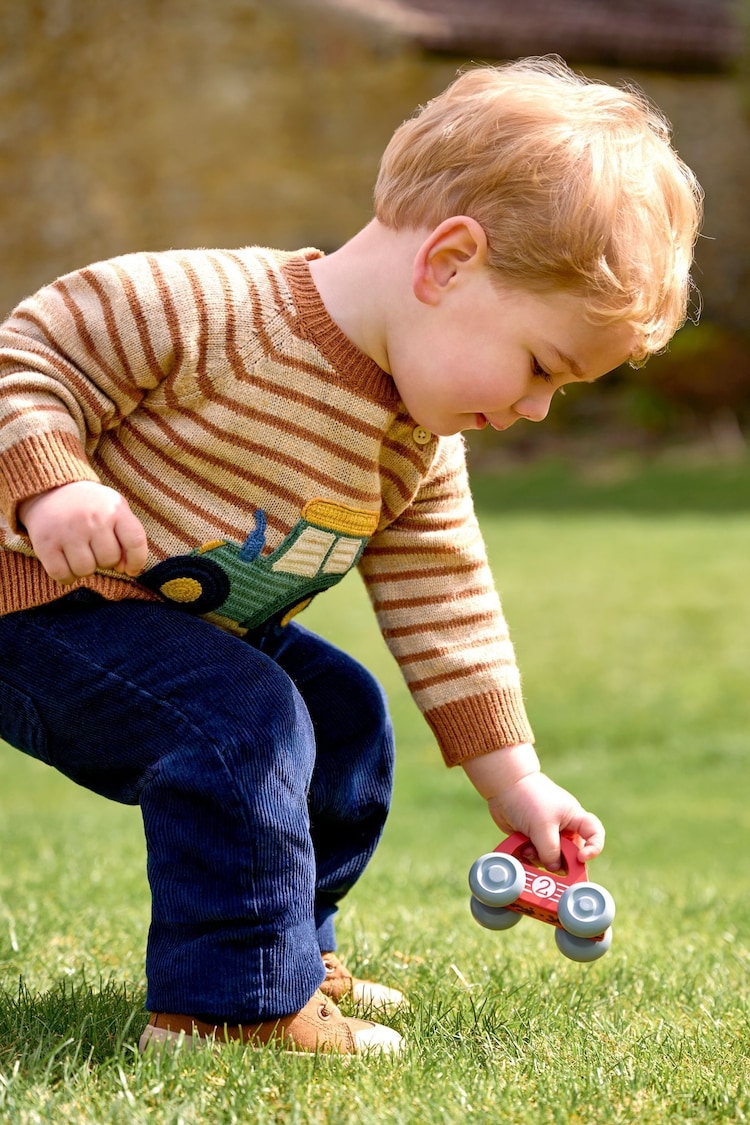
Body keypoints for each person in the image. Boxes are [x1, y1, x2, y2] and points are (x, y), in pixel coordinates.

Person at [0, 56, 701, 1057]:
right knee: (246, 715)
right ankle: (224, 1009)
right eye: (542, 363)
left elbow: (447, 605)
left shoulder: (417, 442)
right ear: (450, 261)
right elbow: (26, 358)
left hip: (171, 623)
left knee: (343, 716)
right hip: (36, 604)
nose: (537, 406)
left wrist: (519, 784)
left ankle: (289, 956)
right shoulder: (205, 306)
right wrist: (53, 481)